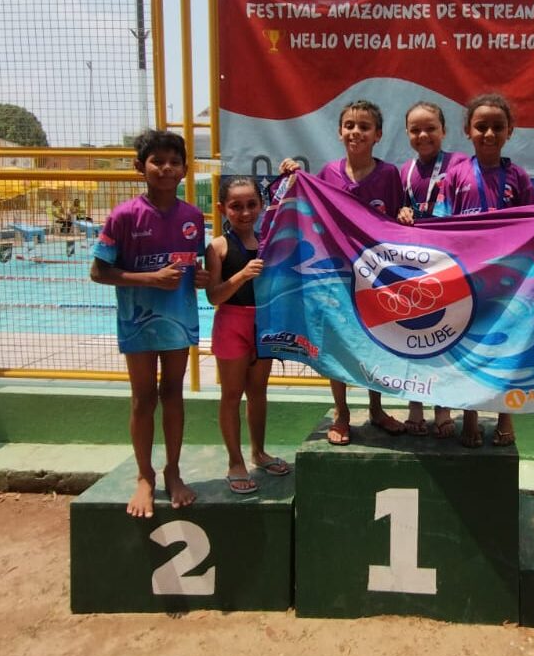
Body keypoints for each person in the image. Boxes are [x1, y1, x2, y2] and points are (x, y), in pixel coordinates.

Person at [90, 129, 210, 518]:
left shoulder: (193, 217)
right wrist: (149, 279)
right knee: (144, 399)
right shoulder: (124, 216)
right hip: (138, 321)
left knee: (174, 393)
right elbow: (98, 271)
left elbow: (191, 266)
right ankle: (145, 475)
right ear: (140, 166)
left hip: (177, 321)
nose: (166, 168)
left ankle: (173, 470)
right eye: (158, 161)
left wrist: (202, 276)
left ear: (185, 169)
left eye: (174, 162)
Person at [280, 99, 406, 446]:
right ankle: (342, 412)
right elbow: (306, 212)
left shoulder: (389, 175)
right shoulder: (327, 175)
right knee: (336, 341)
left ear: (377, 135)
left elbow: (398, 224)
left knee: (376, 342)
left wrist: (407, 214)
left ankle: (376, 409)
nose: (356, 132)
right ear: (339, 132)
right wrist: (294, 177)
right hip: (335, 275)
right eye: (350, 125)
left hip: (376, 277)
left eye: (364, 127)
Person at [441, 93, 534, 448]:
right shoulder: (455, 176)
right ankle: (469, 415)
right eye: (481, 126)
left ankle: (504, 417)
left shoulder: (519, 177)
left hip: (509, 282)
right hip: (468, 280)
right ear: (468, 130)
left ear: (510, 131)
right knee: (470, 350)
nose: (489, 133)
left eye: (498, 127)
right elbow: (442, 226)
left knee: (506, 349)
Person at [206, 176, 289, 494]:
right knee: (231, 395)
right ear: (222, 208)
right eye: (236, 206)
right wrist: (241, 275)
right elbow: (214, 296)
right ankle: (234, 461)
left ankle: (258, 451)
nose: (244, 213)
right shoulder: (218, 246)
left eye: (251, 205)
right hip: (232, 325)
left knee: (258, 393)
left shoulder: (268, 241)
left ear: (261, 206)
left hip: (263, 325)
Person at [396, 101, 468, 439]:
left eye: (430, 128)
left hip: (451, 267)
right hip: (414, 267)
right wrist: (401, 213)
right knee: (414, 335)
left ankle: (443, 407)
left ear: (443, 130)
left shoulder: (460, 165)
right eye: (415, 129)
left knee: (447, 339)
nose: (423, 135)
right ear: (408, 134)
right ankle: (414, 405)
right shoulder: (403, 172)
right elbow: (394, 214)